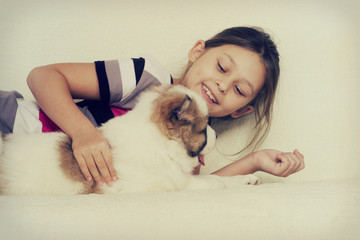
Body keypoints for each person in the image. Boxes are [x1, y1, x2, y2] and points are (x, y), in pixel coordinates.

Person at [0, 26, 304, 186]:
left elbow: (185, 190)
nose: (223, 84)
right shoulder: (147, 78)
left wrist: (255, 161)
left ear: (240, 111)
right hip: (15, 123)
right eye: (222, 67)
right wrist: (83, 133)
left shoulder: (193, 144)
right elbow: (43, 76)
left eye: (239, 89)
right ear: (198, 52)